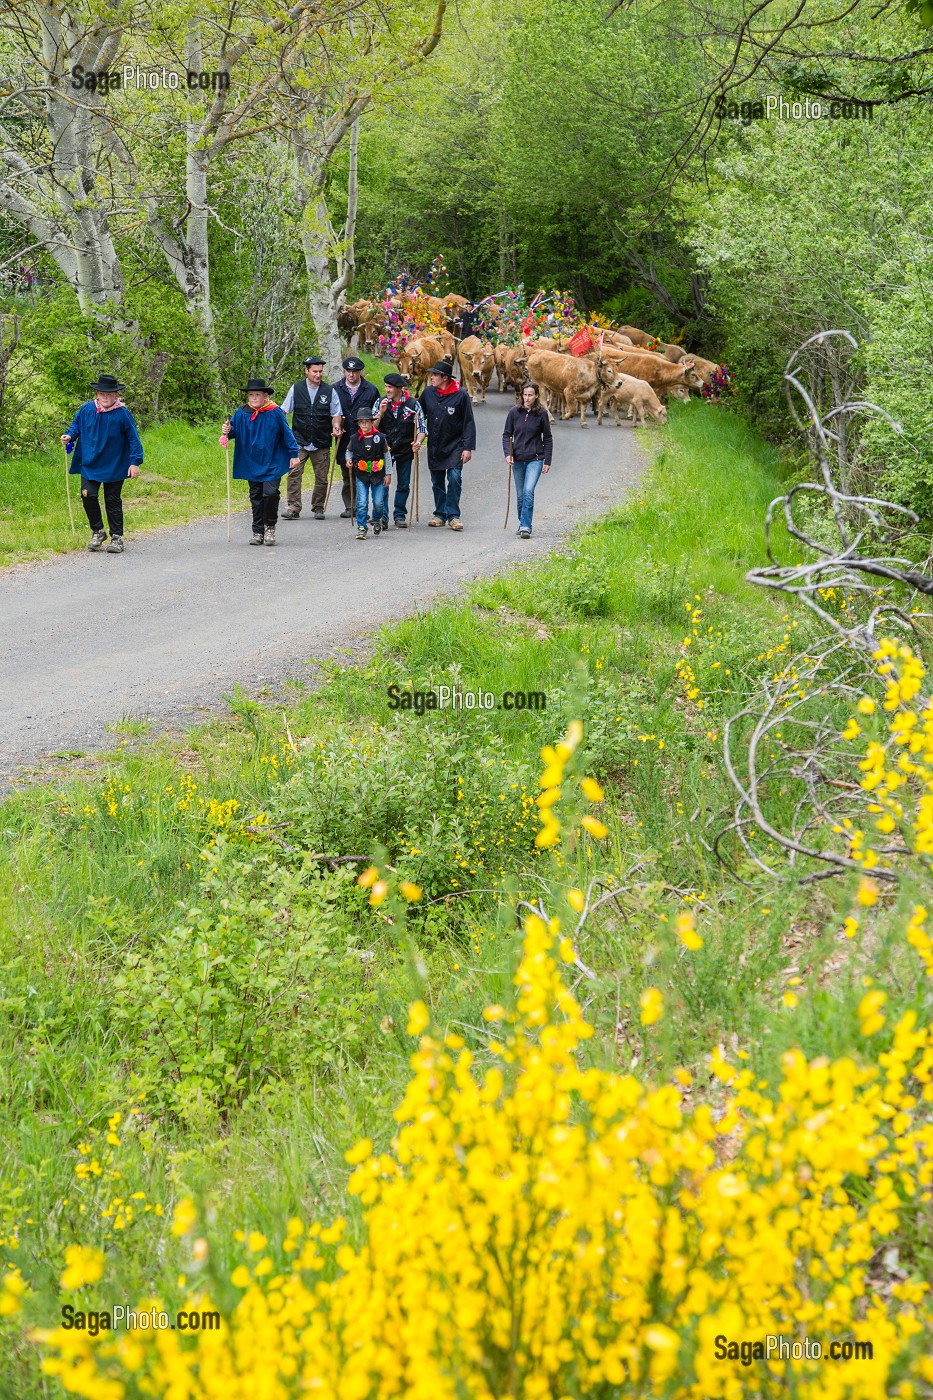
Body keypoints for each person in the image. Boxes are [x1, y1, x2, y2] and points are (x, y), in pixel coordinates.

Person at [61, 374, 144, 554]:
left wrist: (135, 462)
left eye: (108, 394)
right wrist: (69, 435)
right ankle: (98, 531)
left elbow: (133, 439)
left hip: (115, 464)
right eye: (101, 393)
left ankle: (117, 537)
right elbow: (76, 425)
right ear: (97, 394)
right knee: (87, 495)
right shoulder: (87, 409)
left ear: (116, 395)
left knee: (112, 500)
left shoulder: (122, 414)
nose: (104, 397)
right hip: (90, 462)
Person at [222, 379, 300, 546]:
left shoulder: (275, 412)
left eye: (257, 394)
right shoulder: (242, 412)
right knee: (256, 496)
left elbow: (287, 433)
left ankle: (270, 527)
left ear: (265, 396)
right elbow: (234, 431)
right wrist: (227, 431)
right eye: (251, 395)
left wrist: (294, 454)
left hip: (273, 461)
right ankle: (257, 531)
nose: (254, 398)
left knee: (270, 493)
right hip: (252, 461)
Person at [279, 357, 342, 520]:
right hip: (299, 440)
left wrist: (336, 425)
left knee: (321, 476)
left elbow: (336, 414)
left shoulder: (329, 391)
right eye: (315, 371)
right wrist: (279, 428)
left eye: (320, 371)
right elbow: (283, 411)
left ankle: (318, 507)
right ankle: (293, 507)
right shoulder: (296, 389)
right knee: (294, 473)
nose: (318, 375)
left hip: (321, 441)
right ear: (306, 371)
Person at [418, 361, 476, 531]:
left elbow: (469, 423)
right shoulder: (428, 393)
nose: (432, 378)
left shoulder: (461, 395)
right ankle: (439, 514)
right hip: (435, 445)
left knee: (454, 478)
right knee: (437, 481)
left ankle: (453, 516)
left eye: (435, 375)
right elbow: (419, 415)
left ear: (445, 378)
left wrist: (467, 447)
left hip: (455, 445)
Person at [333, 356, 382, 519]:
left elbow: (376, 414)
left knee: (363, 473)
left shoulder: (371, 390)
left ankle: (362, 507)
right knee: (347, 474)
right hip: (344, 438)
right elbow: (332, 412)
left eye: (354, 371)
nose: (351, 374)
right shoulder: (335, 388)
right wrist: (335, 426)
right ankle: (350, 506)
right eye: (348, 371)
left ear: (360, 372)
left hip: (365, 439)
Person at [375, 373, 426, 528]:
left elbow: (422, 428)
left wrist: (418, 441)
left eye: (389, 387)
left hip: (405, 448)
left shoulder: (413, 404)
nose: (387, 390)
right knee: (383, 483)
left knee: (403, 484)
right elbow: (372, 428)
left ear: (399, 388)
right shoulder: (380, 402)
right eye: (386, 386)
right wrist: (381, 413)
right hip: (384, 450)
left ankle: (399, 515)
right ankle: (382, 517)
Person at [503, 381, 552, 539]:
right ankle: (522, 521)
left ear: (536, 395)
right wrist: (507, 453)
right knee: (520, 494)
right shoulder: (514, 412)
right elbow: (506, 434)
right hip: (518, 459)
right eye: (525, 394)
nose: (527, 398)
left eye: (530, 395)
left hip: (535, 459)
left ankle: (526, 526)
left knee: (528, 491)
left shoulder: (542, 413)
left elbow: (548, 438)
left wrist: (547, 460)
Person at [345, 405, 391, 540]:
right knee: (362, 502)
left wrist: (388, 473)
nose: (364, 424)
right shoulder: (354, 439)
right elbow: (349, 451)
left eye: (367, 421)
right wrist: (348, 460)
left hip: (378, 475)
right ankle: (361, 527)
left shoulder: (380, 438)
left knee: (379, 503)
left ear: (372, 422)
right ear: (358, 423)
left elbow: (387, 456)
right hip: (362, 475)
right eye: (361, 422)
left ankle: (376, 519)